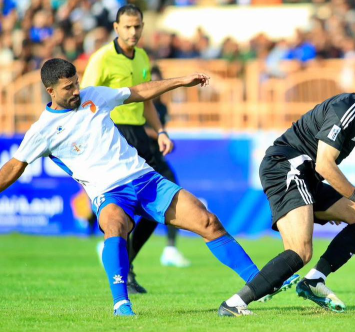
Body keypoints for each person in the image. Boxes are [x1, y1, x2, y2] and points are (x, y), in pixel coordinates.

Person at [1, 58, 262, 316]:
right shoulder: (42, 131)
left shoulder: (94, 96)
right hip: (109, 193)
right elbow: (14, 167)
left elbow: (138, 92)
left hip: (146, 180)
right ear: (51, 91)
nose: (77, 91)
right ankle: (121, 305)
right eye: (68, 87)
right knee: (114, 227)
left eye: (77, 83)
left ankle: (262, 283)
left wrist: (181, 82)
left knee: (208, 222)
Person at [218, 61, 355, 317]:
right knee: (300, 250)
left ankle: (314, 281)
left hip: (306, 177)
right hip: (286, 168)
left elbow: (321, 168)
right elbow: (325, 165)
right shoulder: (348, 109)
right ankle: (234, 304)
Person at [80, 4, 187, 293]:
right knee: (125, 208)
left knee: (166, 200)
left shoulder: (141, 56)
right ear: (116, 28)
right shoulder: (102, 59)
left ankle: (124, 264)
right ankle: (121, 266)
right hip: (114, 135)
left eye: (137, 26)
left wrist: (161, 131)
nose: (133, 32)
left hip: (140, 135)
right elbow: (85, 102)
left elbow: (146, 99)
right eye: (127, 27)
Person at [144, 65, 190, 267]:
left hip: (158, 161)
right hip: (141, 161)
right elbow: (137, 130)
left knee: (175, 198)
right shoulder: (136, 105)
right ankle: (113, 244)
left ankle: (170, 249)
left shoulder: (161, 108)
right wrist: (159, 134)